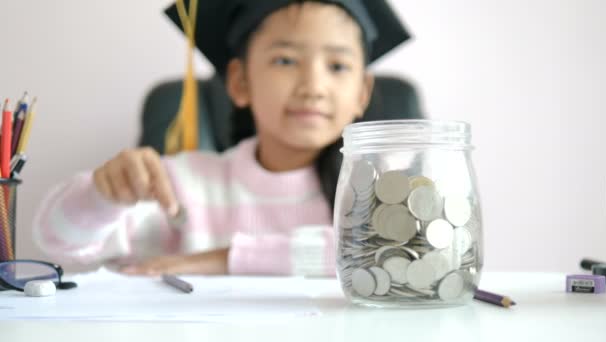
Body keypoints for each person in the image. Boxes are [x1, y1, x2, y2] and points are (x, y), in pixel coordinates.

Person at [32, 0, 411, 276]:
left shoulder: (383, 190)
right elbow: (60, 244)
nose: (313, 86)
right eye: (285, 60)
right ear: (239, 81)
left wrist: (221, 260)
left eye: (337, 66)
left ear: (362, 93)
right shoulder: (182, 184)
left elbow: (395, 255)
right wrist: (101, 197)